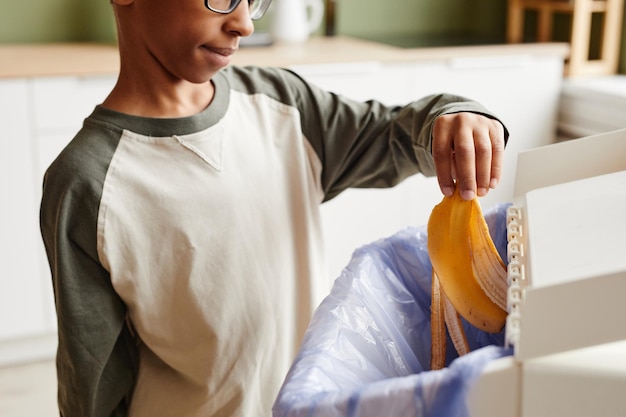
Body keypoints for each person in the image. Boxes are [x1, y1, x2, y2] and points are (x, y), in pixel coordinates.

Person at [39, 0, 508, 416]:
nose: (243, 22)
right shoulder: (87, 182)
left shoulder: (284, 106)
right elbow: (93, 379)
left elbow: (395, 134)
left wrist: (456, 116)